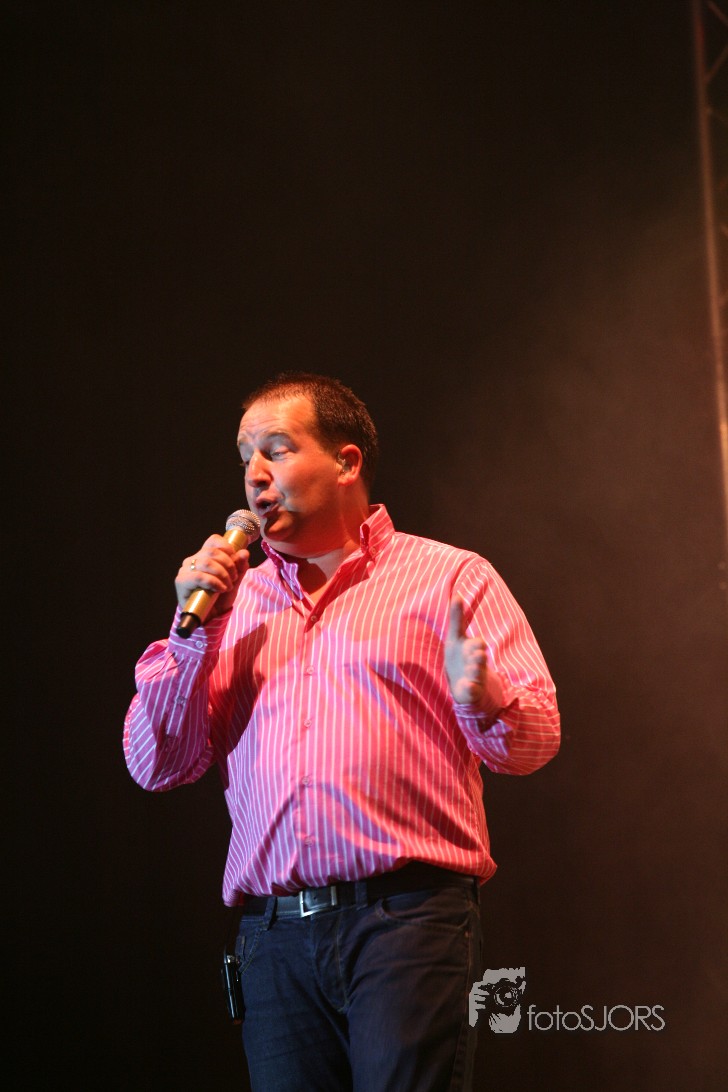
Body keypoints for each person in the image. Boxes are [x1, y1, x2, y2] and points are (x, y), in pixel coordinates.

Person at [124, 372, 560, 1092]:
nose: (254, 475)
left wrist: (486, 698)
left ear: (346, 461)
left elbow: (536, 740)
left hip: (407, 922)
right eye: (245, 457)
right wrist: (192, 635)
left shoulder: (449, 578)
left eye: (276, 450)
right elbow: (155, 762)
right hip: (272, 939)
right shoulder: (231, 604)